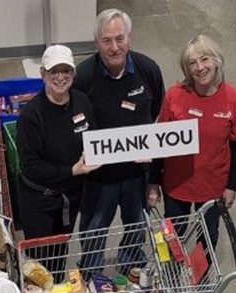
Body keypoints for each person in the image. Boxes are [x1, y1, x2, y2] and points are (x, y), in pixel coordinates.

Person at [72, 8, 165, 273]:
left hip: (137, 172)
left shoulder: (148, 70)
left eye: (120, 38)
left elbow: (158, 111)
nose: (114, 47)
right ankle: (91, 271)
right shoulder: (83, 77)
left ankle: (130, 264)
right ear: (96, 43)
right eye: (107, 40)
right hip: (99, 176)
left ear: (129, 38)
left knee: (137, 224)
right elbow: (74, 121)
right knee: (94, 227)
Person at [17, 44, 100, 279]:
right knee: (40, 261)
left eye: (66, 71)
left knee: (61, 250)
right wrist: (71, 171)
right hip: (39, 202)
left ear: (73, 73)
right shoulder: (31, 115)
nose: (61, 77)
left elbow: (93, 137)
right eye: (54, 71)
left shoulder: (81, 102)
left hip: (70, 197)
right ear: (43, 74)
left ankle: (56, 292)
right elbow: (31, 167)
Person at [154, 35, 236, 248]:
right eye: (192, 63)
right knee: (173, 234)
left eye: (205, 59)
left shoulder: (233, 98)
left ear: (216, 61)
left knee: (208, 236)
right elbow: (159, 141)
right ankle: (171, 268)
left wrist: (232, 186)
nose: (200, 67)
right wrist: (153, 180)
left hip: (213, 186)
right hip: (177, 183)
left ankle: (202, 270)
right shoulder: (174, 96)